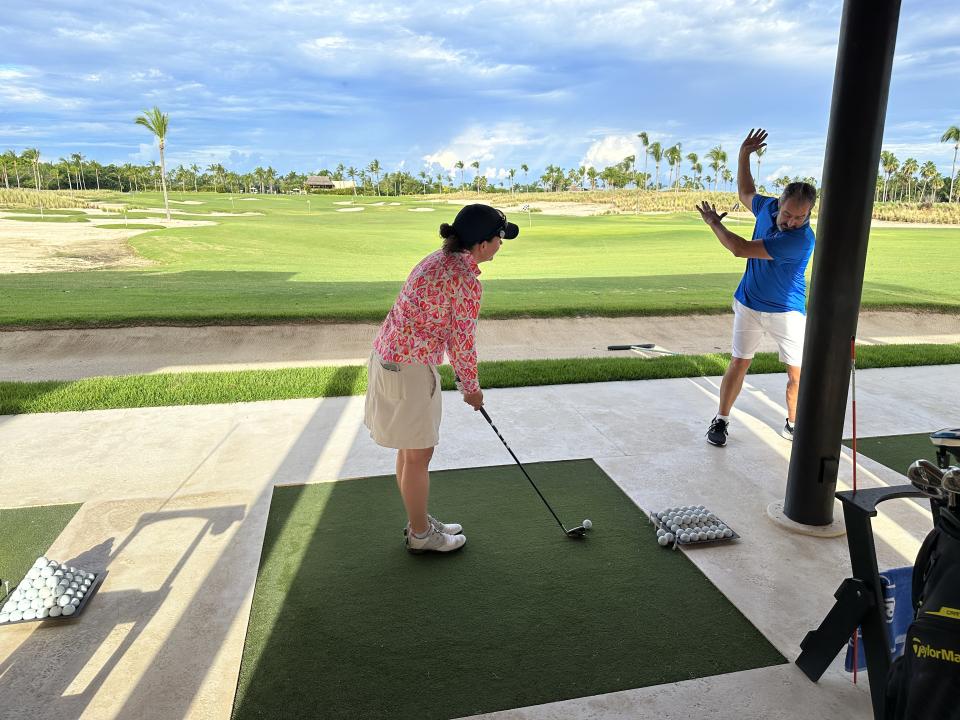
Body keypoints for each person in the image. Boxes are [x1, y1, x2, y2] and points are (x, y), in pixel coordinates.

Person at [364, 203, 519, 553]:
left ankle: (417, 521)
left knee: (410, 450)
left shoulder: (438, 259)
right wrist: (471, 389)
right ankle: (421, 536)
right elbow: (461, 344)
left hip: (389, 357)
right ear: (481, 244)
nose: (500, 244)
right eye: (498, 238)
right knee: (419, 454)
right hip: (410, 369)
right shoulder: (463, 281)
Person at [695, 128, 817, 447]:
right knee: (739, 362)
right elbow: (746, 191)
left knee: (797, 374)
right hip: (749, 303)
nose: (791, 221)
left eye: (800, 217)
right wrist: (743, 154)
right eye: (788, 214)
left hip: (786, 312)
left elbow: (740, 248)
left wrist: (715, 223)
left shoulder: (800, 239)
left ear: (808, 216)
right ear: (780, 203)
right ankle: (721, 420)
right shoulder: (767, 208)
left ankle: (793, 423)